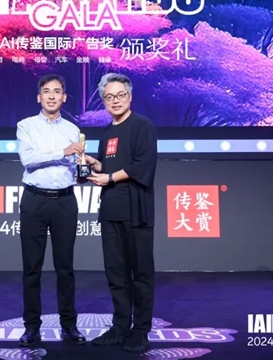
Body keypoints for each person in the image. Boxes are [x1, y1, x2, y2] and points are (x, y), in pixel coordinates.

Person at [82, 73, 157, 353]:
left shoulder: (142, 126)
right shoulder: (107, 133)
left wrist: (110, 177)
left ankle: (141, 331)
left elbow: (142, 165)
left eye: (120, 95)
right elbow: (108, 166)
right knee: (116, 273)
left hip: (136, 211)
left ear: (130, 96)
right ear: (104, 101)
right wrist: (95, 164)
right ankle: (120, 327)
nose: (115, 101)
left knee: (141, 274)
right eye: (109, 97)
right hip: (111, 210)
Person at [15, 74, 87, 347]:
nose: (52, 96)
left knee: (65, 268)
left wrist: (84, 167)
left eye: (57, 91)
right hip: (35, 200)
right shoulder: (26, 126)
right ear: (39, 97)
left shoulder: (73, 129)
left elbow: (75, 164)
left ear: (64, 97)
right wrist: (63, 151)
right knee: (32, 268)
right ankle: (31, 327)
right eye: (47, 91)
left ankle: (69, 325)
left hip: (65, 202)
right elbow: (29, 159)